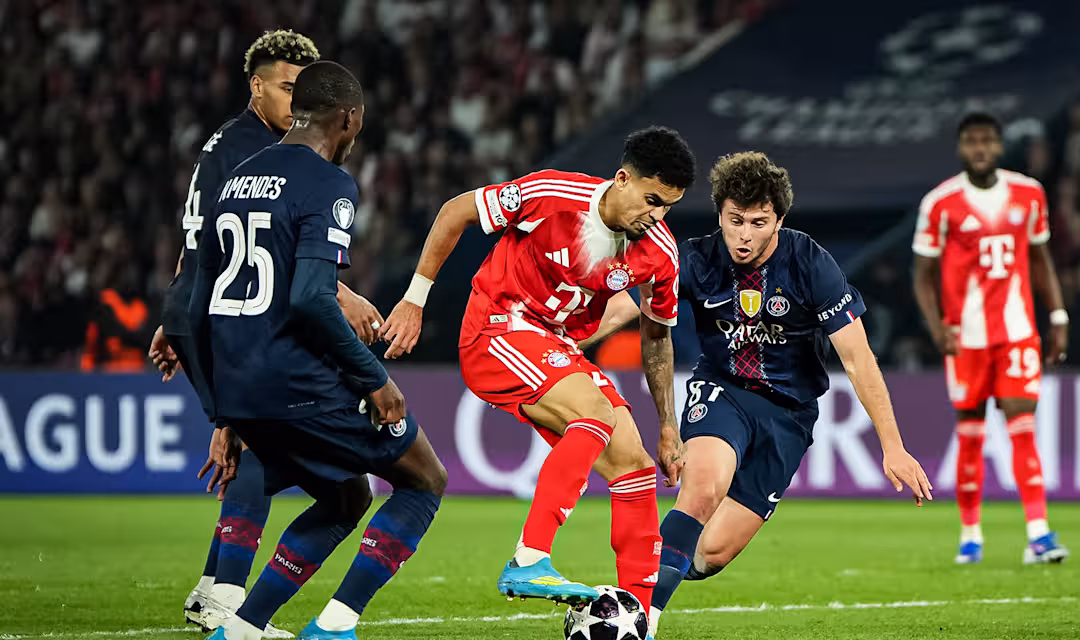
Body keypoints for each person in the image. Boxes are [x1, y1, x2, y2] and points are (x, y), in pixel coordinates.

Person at [606, 151, 931, 637]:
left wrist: (893, 446)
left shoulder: (809, 262)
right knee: (702, 489)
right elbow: (619, 308)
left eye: (758, 223)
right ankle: (641, 622)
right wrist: (558, 334)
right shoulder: (693, 258)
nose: (744, 235)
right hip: (722, 390)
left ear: (779, 219)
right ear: (719, 213)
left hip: (788, 415)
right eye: (735, 220)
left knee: (712, 553)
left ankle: (658, 565)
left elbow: (858, 358)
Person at [378, 127, 696, 610]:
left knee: (633, 462)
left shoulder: (659, 253)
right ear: (622, 178)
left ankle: (639, 613)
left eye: (668, 206)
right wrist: (413, 301)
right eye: (652, 200)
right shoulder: (551, 194)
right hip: (495, 329)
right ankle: (530, 560)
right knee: (593, 413)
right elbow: (456, 211)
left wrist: (669, 426)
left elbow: (657, 336)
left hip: (554, 346)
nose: (656, 216)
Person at [188, 61, 448, 640]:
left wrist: (223, 413)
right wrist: (373, 378)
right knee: (424, 478)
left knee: (346, 494)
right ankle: (333, 627)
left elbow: (196, 306)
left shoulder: (237, 179)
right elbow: (310, 298)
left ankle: (242, 625)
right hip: (295, 383)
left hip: (239, 384)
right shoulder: (329, 183)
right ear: (349, 118)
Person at [147, 30, 383, 637]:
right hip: (223, 313)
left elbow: (205, 239)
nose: (295, 98)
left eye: (302, 89)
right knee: (252, 444)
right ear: (256, 86)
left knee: (253, 440)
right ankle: (226, 600)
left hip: (203, 305)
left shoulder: (231, 144)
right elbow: (257, 256)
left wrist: (175, 308)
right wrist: (345, 292)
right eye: (285, 87)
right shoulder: (253, 150)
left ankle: (212, 589)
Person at [911, 112, 1070, 564]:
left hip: (1017, 332)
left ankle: (1038, 534)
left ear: (999, 146)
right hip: (966, 339)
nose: (979, 149)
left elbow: (1041, 260)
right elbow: (921, 274)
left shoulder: (1029, 193)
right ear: (961, 148)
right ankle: (970, 537)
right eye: (971, 141)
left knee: (1023, 430)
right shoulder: (940, 203)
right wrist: (937, 325)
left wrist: (1057, 314)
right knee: (971, 437)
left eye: (986, 141)